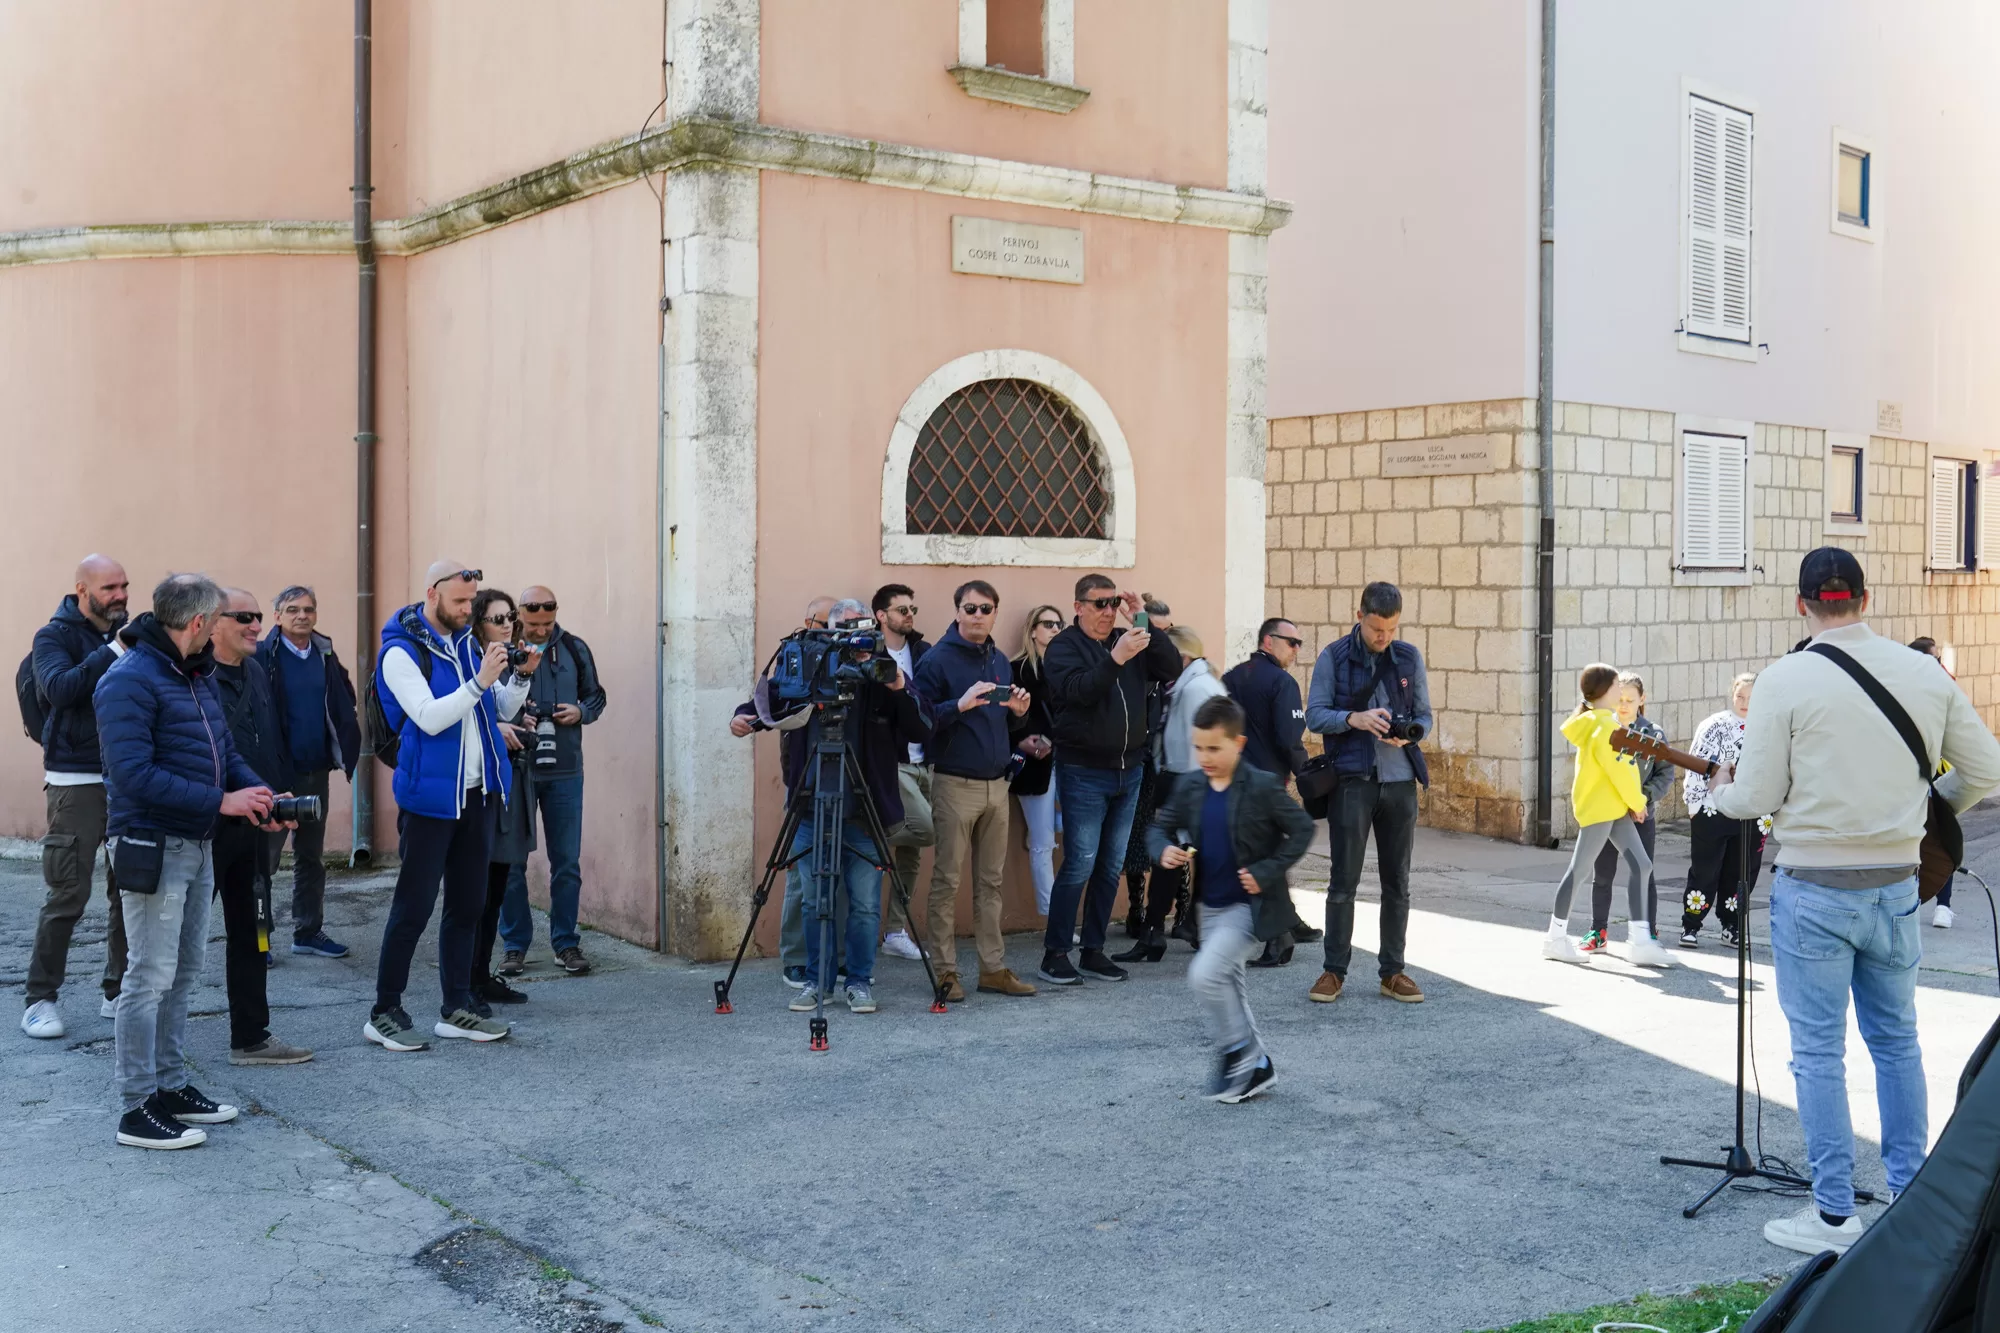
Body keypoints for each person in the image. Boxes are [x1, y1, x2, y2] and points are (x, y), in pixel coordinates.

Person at [1709, 548, 2000, 1255]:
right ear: (1865, 599)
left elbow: (1756, 794)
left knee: (1818, 1053)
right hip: (1897, 885)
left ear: (1801, 604)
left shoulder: (1785, 678)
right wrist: (1928, 806)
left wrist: (1722, 791)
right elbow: (1986, 768)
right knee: (1897, 1042)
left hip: (1814, 886)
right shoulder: (1922, 672)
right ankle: (1908, 1198)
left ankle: (1835, 1216)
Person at [97, 573, 277, 1149]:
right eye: (221, 618)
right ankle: (136, 1107)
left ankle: (170, 1087)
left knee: (183, 972)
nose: (226, 627)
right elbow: (133, 775)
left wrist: (259, 797)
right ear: (199, 623)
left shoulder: (196, 675)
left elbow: (225, 753)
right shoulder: (127, 680)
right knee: (148, 976)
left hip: (197, 842)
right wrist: (222, 802)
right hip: (153, 845)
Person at [365, 562, 531, 1052]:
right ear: (432, 594)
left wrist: (518, 678)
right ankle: (384, 1011)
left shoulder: (463, 644)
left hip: (477, 795)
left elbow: (497, 709)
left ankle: (457, 1006)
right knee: (413, 909)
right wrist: (479, 681)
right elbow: (430, 718)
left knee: (467, 906)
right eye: (460, 601)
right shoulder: (401, 652)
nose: (468, 609)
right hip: (430, 802)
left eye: (472, 600)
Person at [768, 599, 932, 1013]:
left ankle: (859, 980)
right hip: (812, 804)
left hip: (864, 809)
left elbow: (921, 726)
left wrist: (898, 686)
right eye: (845, 633)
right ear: (827, 632)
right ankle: (817, 982)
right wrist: (744, 716)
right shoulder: (809, 665)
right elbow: (768, 700)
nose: (854, 644)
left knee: (864, 904)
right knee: (814, 901)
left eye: (863, 633)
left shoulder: (881, 673)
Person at [1148, 697, 1314, 1103]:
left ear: (1238, 744)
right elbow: (1159, 827)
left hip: (1249, 909)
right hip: (1210, 908)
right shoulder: (1191, 785)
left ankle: (1237, 1051)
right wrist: (1163, 849)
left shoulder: (1261, 785)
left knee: (1204, 975)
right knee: (1230, 986)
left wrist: (1266, 870)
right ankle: (1258, 1066)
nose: (1204, 757)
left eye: (1214, 748)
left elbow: (1302, 829)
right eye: (1198, 748)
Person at [1036, 575, 1181, 986]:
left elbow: (1171, 668)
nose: (1106, 611)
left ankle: (1093, 951)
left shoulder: (1127, 638)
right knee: (1079, 863)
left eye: (1112, 603)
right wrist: (1115, 659)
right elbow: (1078, 692)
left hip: (1129, 770)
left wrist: (1144, 621)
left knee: (1110, 866)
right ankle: (1055, 954)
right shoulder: (1064, 647)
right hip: (1083, 772)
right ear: (1078, 606)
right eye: (1098, 603)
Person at [1302, 582, 1432, 1005]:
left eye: (1391, 629)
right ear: (1359, 616)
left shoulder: (1408, 656)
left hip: (1400, 781)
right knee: (1343, 881)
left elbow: (1425, 717)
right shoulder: (1334, 656)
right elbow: (1315, 716)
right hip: (1352, 782)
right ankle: (1333, 971)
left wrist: (1410, 735)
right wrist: (1354, 719)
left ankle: (1393, 972)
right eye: (1377, 628)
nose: (1384, 637)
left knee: (1398, 883)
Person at [22, 554, 131, 1040]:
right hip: (75, 781)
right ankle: (39, 1000)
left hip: (127, 778)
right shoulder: (53, 637)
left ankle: (118, 991)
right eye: (110, 588)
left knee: (129, 891)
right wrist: (116, 649)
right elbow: (60, 689)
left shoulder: (129, 633)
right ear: (82, 590)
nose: (121, 595)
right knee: (68, 893)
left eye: (124, 585)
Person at [911, 581, 1036, 999]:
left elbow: (1003, 724)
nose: (978, 615)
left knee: (990, 883)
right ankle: (945, 973)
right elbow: (919, 721)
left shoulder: (999, 660)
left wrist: (1019, 714)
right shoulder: (936, 660)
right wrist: (958, 705)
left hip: (997, 786)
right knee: (947, 881)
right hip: (954, 783)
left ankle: (992, 969)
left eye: (986, 609)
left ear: (995, 613)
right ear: (958, 611)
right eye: (970, 608)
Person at [208, 588, 314, 1065]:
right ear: (213, 623)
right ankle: (154, 1047)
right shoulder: (194, 676)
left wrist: (273, 798)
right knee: (179, 943)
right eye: (244, 616)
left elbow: (267, 740)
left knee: (254, 931)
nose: (256, 625)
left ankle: (251, 1038)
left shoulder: (254, 670)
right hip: (206, 825)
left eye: (257, 616)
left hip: (253, 820)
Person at [495, 585, 607, 977]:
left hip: (565, 769)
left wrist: (581, 712)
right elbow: (486, 703)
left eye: (548, 623)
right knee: (511, 864)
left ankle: (566, 943)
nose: (542, 631)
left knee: (567, 863)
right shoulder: (502, 651)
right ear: (519, 617)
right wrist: (513, 719)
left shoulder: (575, 649)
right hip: (516, 769)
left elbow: (597, 697)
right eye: (534, 625)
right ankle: (514, 946)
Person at [729, 595, 839, 989]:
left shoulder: (850, 657)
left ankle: (837, 958)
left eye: (839, 627)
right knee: (800, 872)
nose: (832, 635)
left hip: (845, 779)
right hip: (804, 779)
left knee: (840, 871)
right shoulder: (796, 656)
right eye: (826, 626)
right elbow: (772, 699)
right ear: (808, 623)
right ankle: (796, 958)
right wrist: (745, 716)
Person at [1541, 664, 1672, 967]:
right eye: (1616, 687)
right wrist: (1638, 802)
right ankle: (1555, 938)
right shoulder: (1606, 728)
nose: (1620, 692)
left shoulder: (1602, 723)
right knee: (1579, 871)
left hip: (1612, 808)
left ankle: (1641, 941)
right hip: (1602, 809)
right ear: (1604, 691)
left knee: (1641, 865)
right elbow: (1620, 772)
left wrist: (1633, 801)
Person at [255, 584, 360, 960]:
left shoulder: (323, 653)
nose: (302, 616)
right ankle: (259, 941)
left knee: (311, 857)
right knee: (262, 862)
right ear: (277, 616)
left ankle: (308, 932)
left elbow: (343, 697)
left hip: (315, 772)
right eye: (293, 609)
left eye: (308, 609)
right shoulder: (262, 655)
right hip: (272, 776)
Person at [1116, 624, 1225, 963]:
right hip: (1181, 782)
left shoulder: (1197, 689)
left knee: (1179, 859)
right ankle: (1167, 931)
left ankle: (1168, 932)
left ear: (1183, 657)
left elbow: (1210, 744)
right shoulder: (1188, 685)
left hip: (1189, 784)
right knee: (1176, 860)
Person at [1224, 615, 1323, 963]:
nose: (1296, 650)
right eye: (1291, 643)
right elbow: (1288, 738)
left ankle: (1288, 925)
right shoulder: (1282, 682)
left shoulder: (1232, 677)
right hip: (1267, 784)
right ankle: (1281, 937)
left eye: (1299, 644)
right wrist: (1308, 777)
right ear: (1268, 641)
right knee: (1267, 858)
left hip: (1234, 781)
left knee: (1259, 855)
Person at [471, 589, 533, 1010]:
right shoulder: (468, 659)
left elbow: (503, 707)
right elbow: (467, 715)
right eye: (497, 618)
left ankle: (480, 975)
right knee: (474, 893)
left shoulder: (498, 659)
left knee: (495, 886)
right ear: (478, 624)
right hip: (474, 790)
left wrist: (523, 675)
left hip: (500, 784)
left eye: (510, 616)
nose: (507, 623)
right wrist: (496, 730)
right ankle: (465, 981)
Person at [871, 583, 937, 963]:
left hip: (924, 761)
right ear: (882, 615)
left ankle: (895, 932)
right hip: (891, 763)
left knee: (911, 855)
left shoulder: (923, 652)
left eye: (913, 609)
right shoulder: (870, 652)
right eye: (902, 609)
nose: (910, 615)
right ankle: (872, 838)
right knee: (927, 828)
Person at [1584, 672, 1670, 952]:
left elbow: (1664, 773)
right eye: (1619, 699)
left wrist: (1643, 799)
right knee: (1602, 875)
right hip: (1608, 815)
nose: (1623, 705)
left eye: (1630, 700)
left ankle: (1648, 932)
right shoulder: (1605, 728)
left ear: (1642, 699)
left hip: (1641, 816)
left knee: (1644, 872)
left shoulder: (1653, 734)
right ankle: (1598, 931)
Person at [1680, 673, 1762, 949]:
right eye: (1740, 696)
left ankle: (1732, 925)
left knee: (1742, 872)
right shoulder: (1714, 725)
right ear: (1732, 694)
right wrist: (1694, 804)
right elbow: (1696, 762)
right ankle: (1691, 924)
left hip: (1753, 811)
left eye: (1751, 698)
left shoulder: (1769, 726)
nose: (1745, 703)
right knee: (1705, 870)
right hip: (1712, 809)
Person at [1120, 594, 1174, 940]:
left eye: (1168, 630)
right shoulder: (1132, 662)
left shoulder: (1174, 667)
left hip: (1167, 764)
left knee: (1170, 838)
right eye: (1157, 629)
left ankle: (1178, 912)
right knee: (1135, 839)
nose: (1163, 636)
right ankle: (1135, 909)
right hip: (1138, 760)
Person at [1009, 605, 1063, 917]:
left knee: (1075, 838)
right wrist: (1024, 739)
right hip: (1035, 765)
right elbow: (1006, 717)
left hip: (1070, 763)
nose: (1055, 629)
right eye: (1048, 624)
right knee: (1043, 842)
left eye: (1059, 624)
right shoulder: (1017, 670)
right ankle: (1052, 916)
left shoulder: (1066, 666)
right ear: (1033, 631)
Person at [1910, 638, 1958, 929]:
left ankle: (1943, 905)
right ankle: (1915, 902)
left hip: (1932, 777)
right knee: (1922, 842)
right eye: (1935, 659)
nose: (1940, 665)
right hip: (1911, 779)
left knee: (1938, 840)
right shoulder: (1905, 691)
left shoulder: (1940, 690)